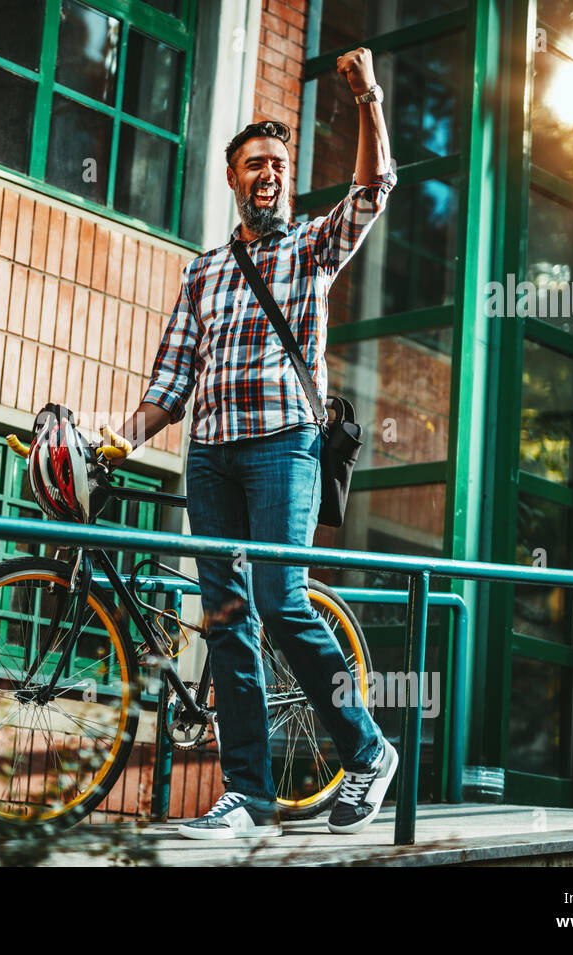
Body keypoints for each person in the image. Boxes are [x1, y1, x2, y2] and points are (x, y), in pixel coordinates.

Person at [96, 48, 398, 839]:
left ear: (287, 178)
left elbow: (373, 190)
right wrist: (119, 442)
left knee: (278, 600)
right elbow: (169, 383)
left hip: (281, 449)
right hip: (211, 456)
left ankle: (367, 749)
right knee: (226, 617)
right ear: (233, 179)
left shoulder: (308, 249)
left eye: (277, 163)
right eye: (253, 164)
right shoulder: (203, 272)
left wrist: (367, 98)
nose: (266, 173)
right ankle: (248, 793)